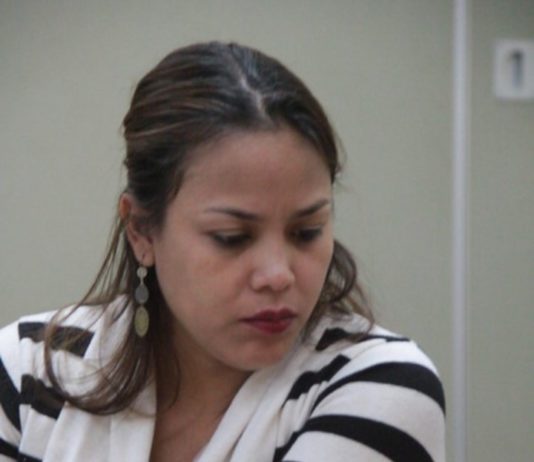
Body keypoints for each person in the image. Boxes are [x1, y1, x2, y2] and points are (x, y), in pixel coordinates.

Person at [0, 42, 445, 461]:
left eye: (306, 232)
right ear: (141, 231)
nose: (278, 275)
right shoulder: (28, 370)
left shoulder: (381, 382)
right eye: (232, 237)